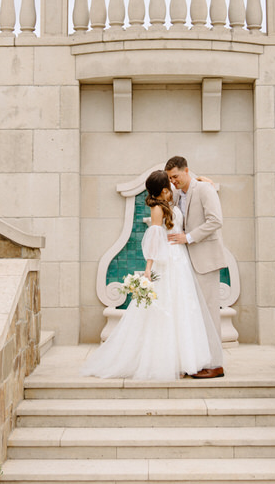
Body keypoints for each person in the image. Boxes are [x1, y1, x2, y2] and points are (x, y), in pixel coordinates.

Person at [80, 170, 223, 381]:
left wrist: (205, 181)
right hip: (168, 260)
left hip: (181, 259)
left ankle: (185, 360)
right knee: (168, 309)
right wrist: (148, 268)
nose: (173, 187)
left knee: (183, 308)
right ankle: (171, 360)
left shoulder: (168, 199)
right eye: (170, 184)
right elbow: (154, 239)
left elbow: (187, 186)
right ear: (164, 190)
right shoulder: (157, 208)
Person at [164, 155, 226, 379]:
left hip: (206, 259)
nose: (174, 181)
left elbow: (215, 220)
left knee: (210, 314)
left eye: (176, 176)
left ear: (186, 170)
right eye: (171, 178)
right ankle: (201, 360)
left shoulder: (204, 189)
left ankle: (216, 365)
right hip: (189, 263)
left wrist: (188, 237)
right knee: (198, 315)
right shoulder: (178, 194)